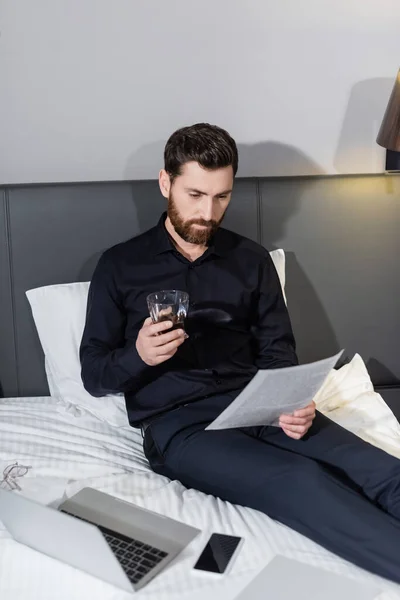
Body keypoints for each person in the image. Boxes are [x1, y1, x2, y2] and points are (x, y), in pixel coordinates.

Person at [80, 123, 400, 583]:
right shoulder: (119, 265)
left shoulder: (252, 260)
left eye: (221, 197)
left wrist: (293, 402)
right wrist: (140, 356)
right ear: (165, 182)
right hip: (182, 425)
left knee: (379, 469)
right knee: (301, 482)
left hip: (260, 404)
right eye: (195, 195)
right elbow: (94, 375)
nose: (208, 212)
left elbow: (277, 350)